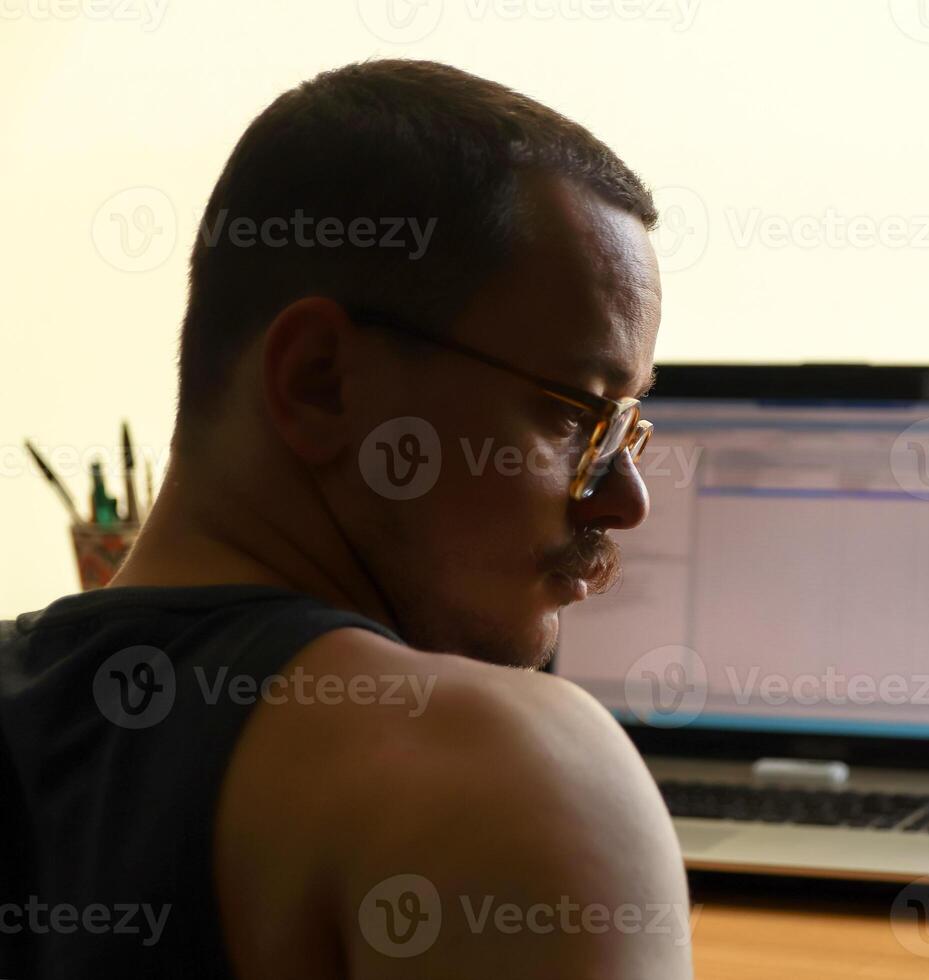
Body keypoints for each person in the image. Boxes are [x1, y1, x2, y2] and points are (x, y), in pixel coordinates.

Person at [0, 58, 692, 979]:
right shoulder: (511, 770)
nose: (625, 500)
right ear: (320, 381)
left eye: (626, 429)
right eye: (576, 414)